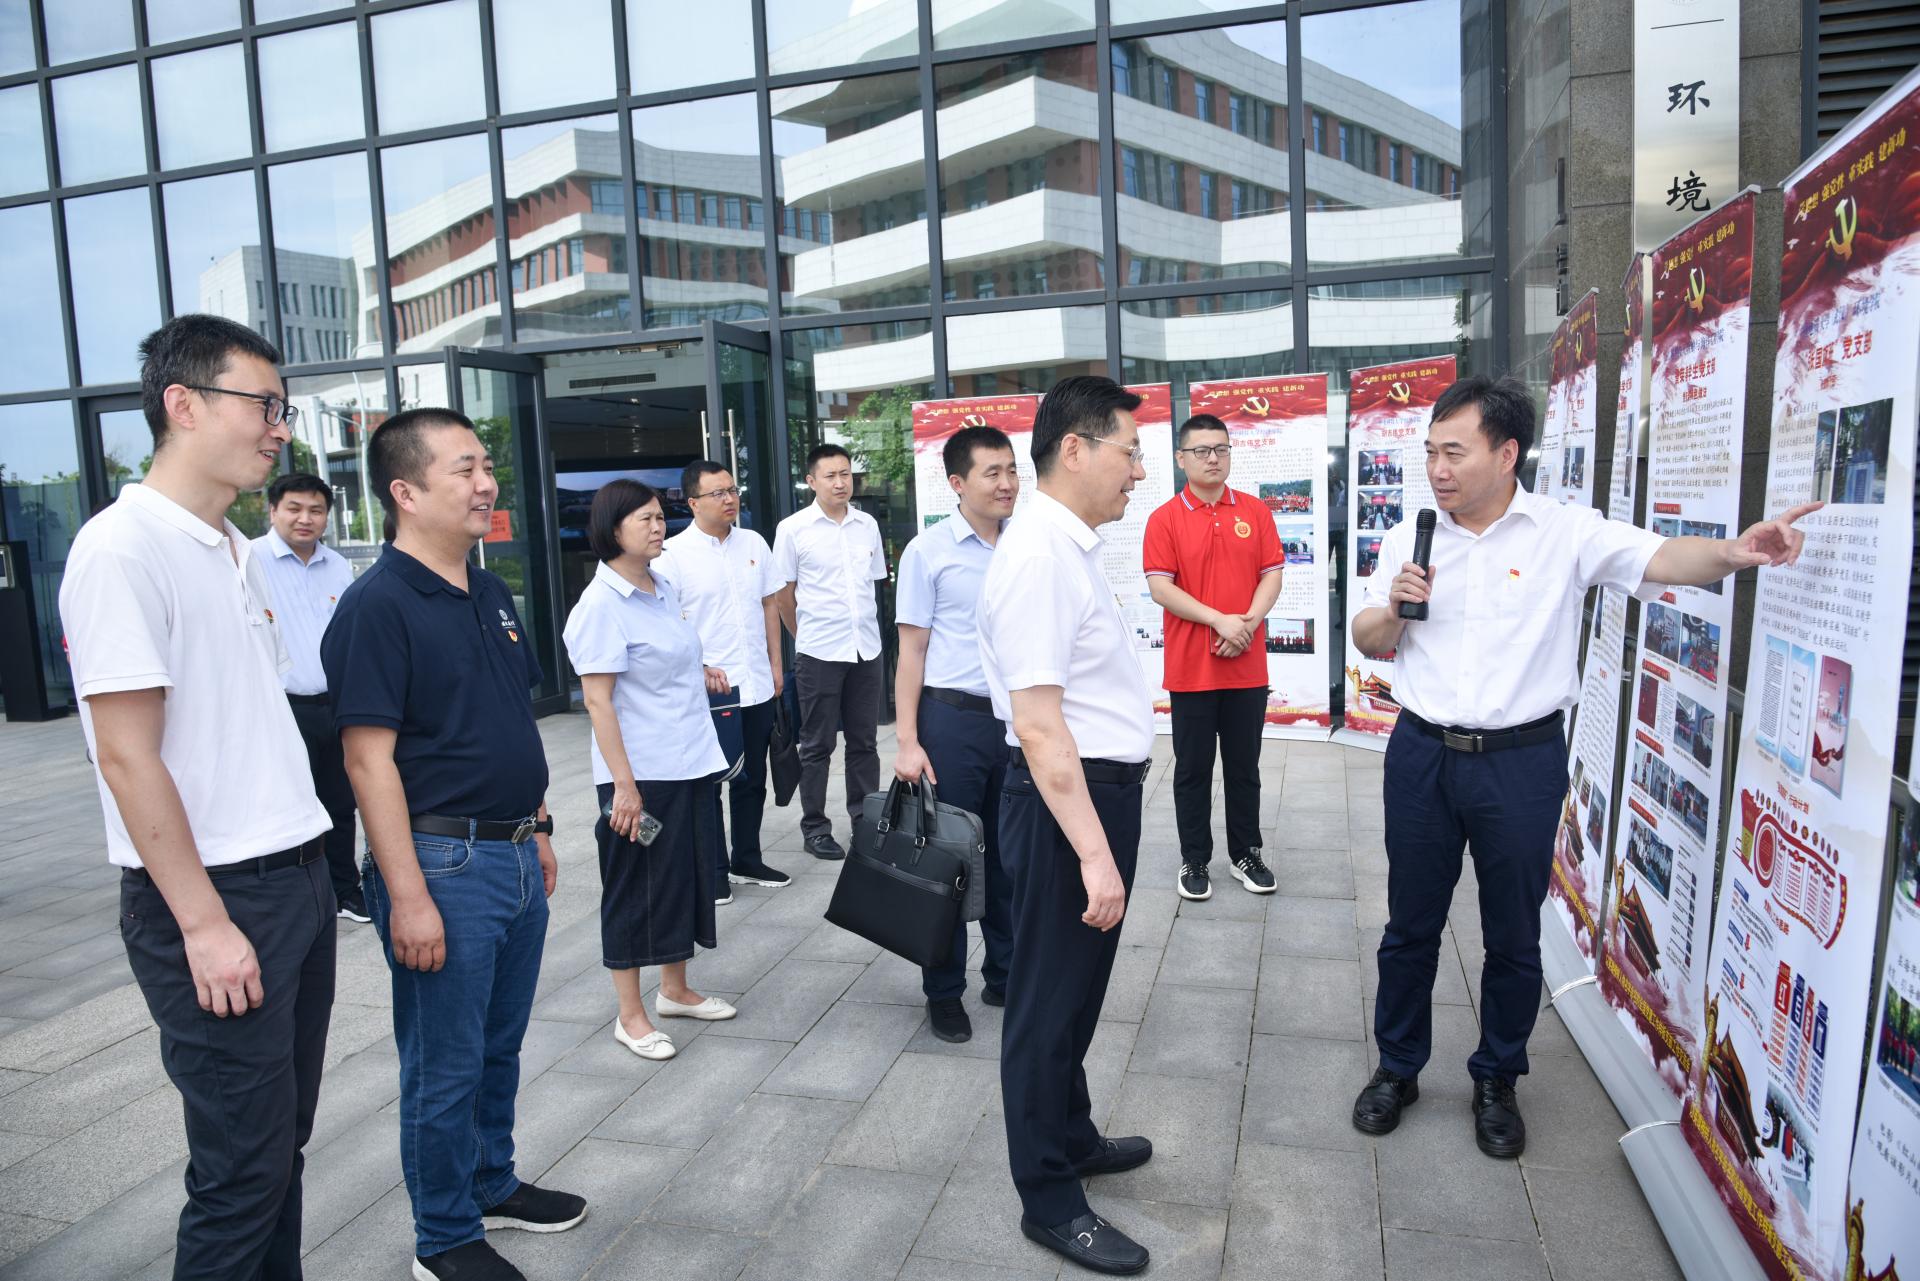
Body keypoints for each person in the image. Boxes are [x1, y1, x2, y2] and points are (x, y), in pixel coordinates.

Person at [1348, 374, 1817, 1160]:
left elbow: (1662, 557)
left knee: (1512, 935)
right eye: (1430, 452)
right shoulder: (1410, 535)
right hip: (1423, 753)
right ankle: (1398, 1066)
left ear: (1507, 453)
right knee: (1410, 926)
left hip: (1520, 762)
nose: (1437, 469)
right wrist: (1394, 608)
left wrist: (1736, 552)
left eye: (1454, 452)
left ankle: (1498, 1077)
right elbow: (1368, 636)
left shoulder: (1564, 532)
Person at [58, 314, 335, 1280]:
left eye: (282, 409)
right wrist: (205, 924)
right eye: (263, 405)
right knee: (239, 1172)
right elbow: (126, 756)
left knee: (280, 1148)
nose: (278, 429)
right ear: (182, 403)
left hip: (296, 878)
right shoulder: (120, 549)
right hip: (215, 897)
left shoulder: (234, 548)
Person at [322, 409, 584, 1281]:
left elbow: (510, 717)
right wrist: (407, 895)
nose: (485, 483)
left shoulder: (491, 590)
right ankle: (442, 1236)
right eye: (463, 468)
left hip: (512, 852)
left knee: (499, 1045)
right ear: (405, 491)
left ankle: (490, 1181)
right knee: (444, 1062)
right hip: (442, 863)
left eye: (486, 466)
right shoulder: (376, 607)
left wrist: (537, 825)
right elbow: (368, 760)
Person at [979, 376, 1157, 1276]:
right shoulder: (1041, 557)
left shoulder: (1067, 546)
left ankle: (1072, 1133)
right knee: (1046, 1006)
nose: (1140, 471)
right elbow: (1041, 727)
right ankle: (1048, 1196)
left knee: (1077, 992)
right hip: (1065, 807)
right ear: (1076, 449)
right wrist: (1095, 853)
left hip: (1094, 797)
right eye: (1131, 451)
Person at [564, 479, 739, 1063]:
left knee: (683, 877)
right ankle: (630, 1015)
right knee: (634, 887)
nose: (659, 526)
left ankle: (675, 990)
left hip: (688, 761)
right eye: (646, 518)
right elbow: (599, 702)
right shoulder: (600, 606)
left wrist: (701, 670)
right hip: (640, 776)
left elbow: (666, 658)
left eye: (661, 516)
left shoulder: (661, 587)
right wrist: (624, 787)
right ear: (613, 529)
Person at [891, 425, 1020, 1045]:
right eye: (992, 472)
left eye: (1012, 470)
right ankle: (943, 992)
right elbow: (911, 652)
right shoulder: (929, 551)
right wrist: (907, 741)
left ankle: (1006, 973)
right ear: (957, 483)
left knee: (1010, 856)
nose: (1006, 483)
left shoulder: (1026, 544)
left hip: (1017, 722)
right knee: (948, 860)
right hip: (952, 721)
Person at [1142, 413, 1285, 902]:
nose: (1213, 458)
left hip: (1247, 667)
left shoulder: (1255, 511)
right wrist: (1219, 621)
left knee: (1245, 768)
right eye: (1201, 450)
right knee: (1192, 770)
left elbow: (1272, 574)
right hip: (1192, 671)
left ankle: (1246, 853)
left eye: (1221, 449)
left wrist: (1246, 623)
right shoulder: (1164, 518)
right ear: (1181, 458)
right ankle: (1194, 858)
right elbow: (1161, 588)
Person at [654, 461, 788, 898]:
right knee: (709, 782)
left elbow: (769, 604)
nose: (730, 499)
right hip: (709, 690)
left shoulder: (753, 543)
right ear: (693, 502)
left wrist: (776, 665)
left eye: (732, 490)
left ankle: (747, 858)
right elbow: (669, 624)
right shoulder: (673, 556)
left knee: (753, 778)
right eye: (718, 493)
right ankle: (712, 871)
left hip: (757, 681)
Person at [253, 472, 366, 922]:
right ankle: (299, 896)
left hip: (335, 704)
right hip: (282, 707)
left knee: (341, 802)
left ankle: (345, 890)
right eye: (294, 509)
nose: (306, 519)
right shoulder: (250, 561)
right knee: (290, 803)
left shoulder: (336, 565)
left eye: (316, 510)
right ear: (273, 511)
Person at [772, 443, 888, 860]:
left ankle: (864, 822)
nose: (840, 483)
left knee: (864, 743)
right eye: (830, 476)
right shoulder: (793, 529)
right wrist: (803, 635)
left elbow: (873, 583)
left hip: (865, 649)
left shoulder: (867, 525)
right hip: (819, 651)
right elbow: (783, 594)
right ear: (811, 481)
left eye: (845, 474)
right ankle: (816, 828)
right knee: (816, 744)